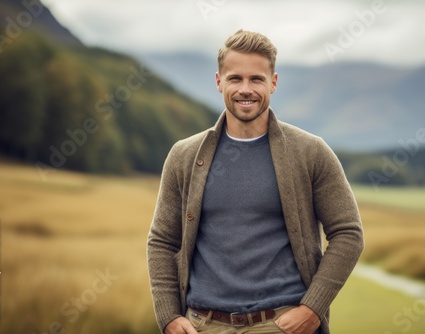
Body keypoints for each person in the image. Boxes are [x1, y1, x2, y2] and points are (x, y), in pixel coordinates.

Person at [147, 29, 364, 334]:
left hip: (282, 325)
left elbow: (348, 233)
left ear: (273, 83)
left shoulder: (310, 152)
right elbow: (162, 240)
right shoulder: (184, 156)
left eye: (256, 79)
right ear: (219, 81)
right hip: (204, 326)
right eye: (235, 78)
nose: (245, 89)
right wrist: (168, 316)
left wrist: (312, 309)